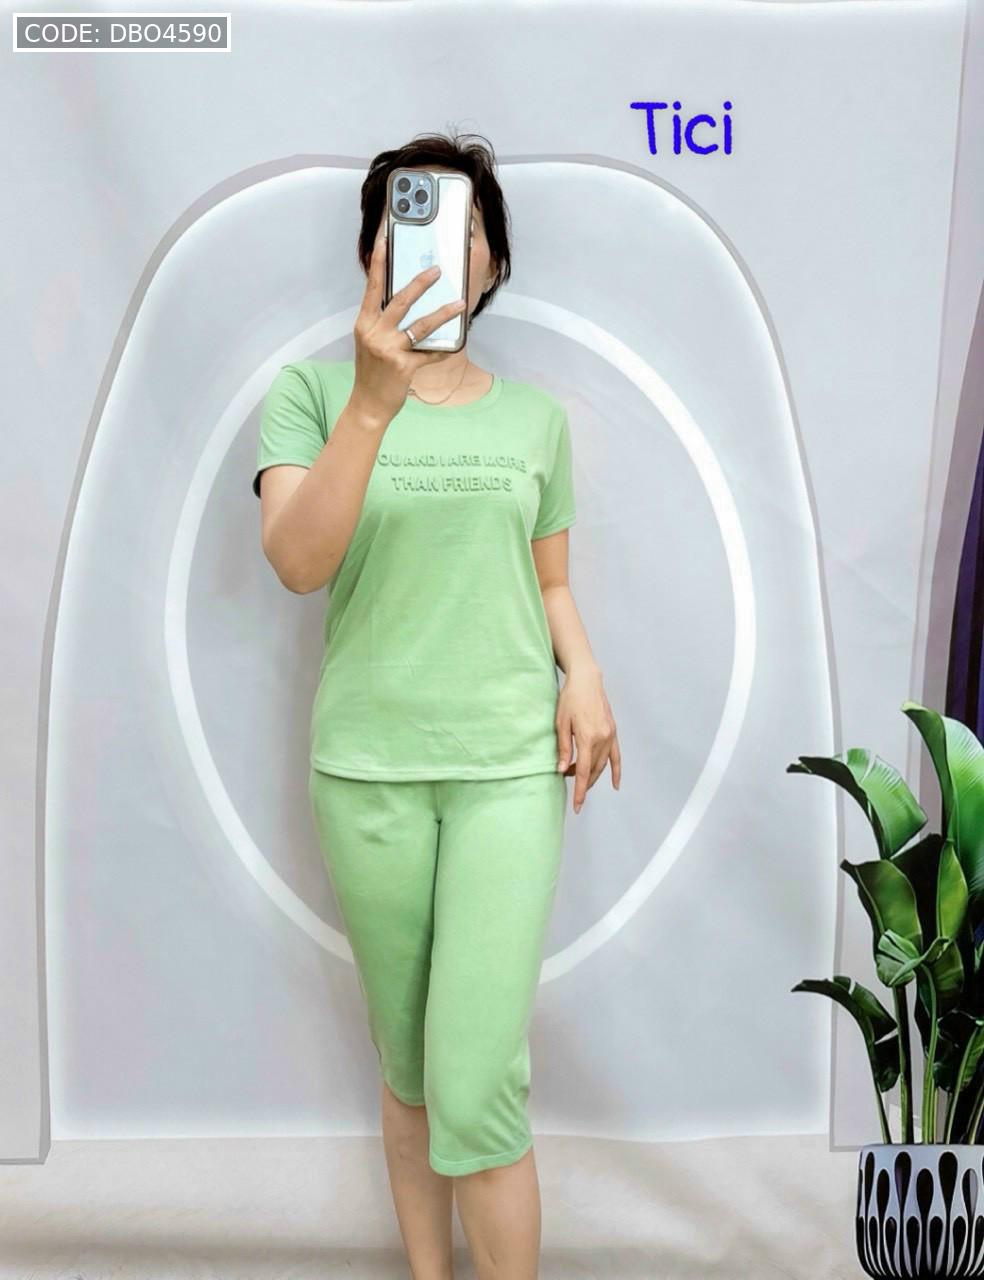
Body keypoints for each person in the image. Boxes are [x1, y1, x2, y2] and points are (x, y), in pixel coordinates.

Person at [254, 132, 620, 1280]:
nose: (442, 248)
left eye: (467, 227)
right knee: (410, 1066)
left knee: (476, 1077)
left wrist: (585, 671)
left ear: (495, 259)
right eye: (413, 222)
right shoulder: (310, 395)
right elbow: (297, 562)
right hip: (367, 768)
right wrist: (372, 405)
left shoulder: (536, 419)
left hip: (508, 763)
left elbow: (549, 580)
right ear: (373, 252)